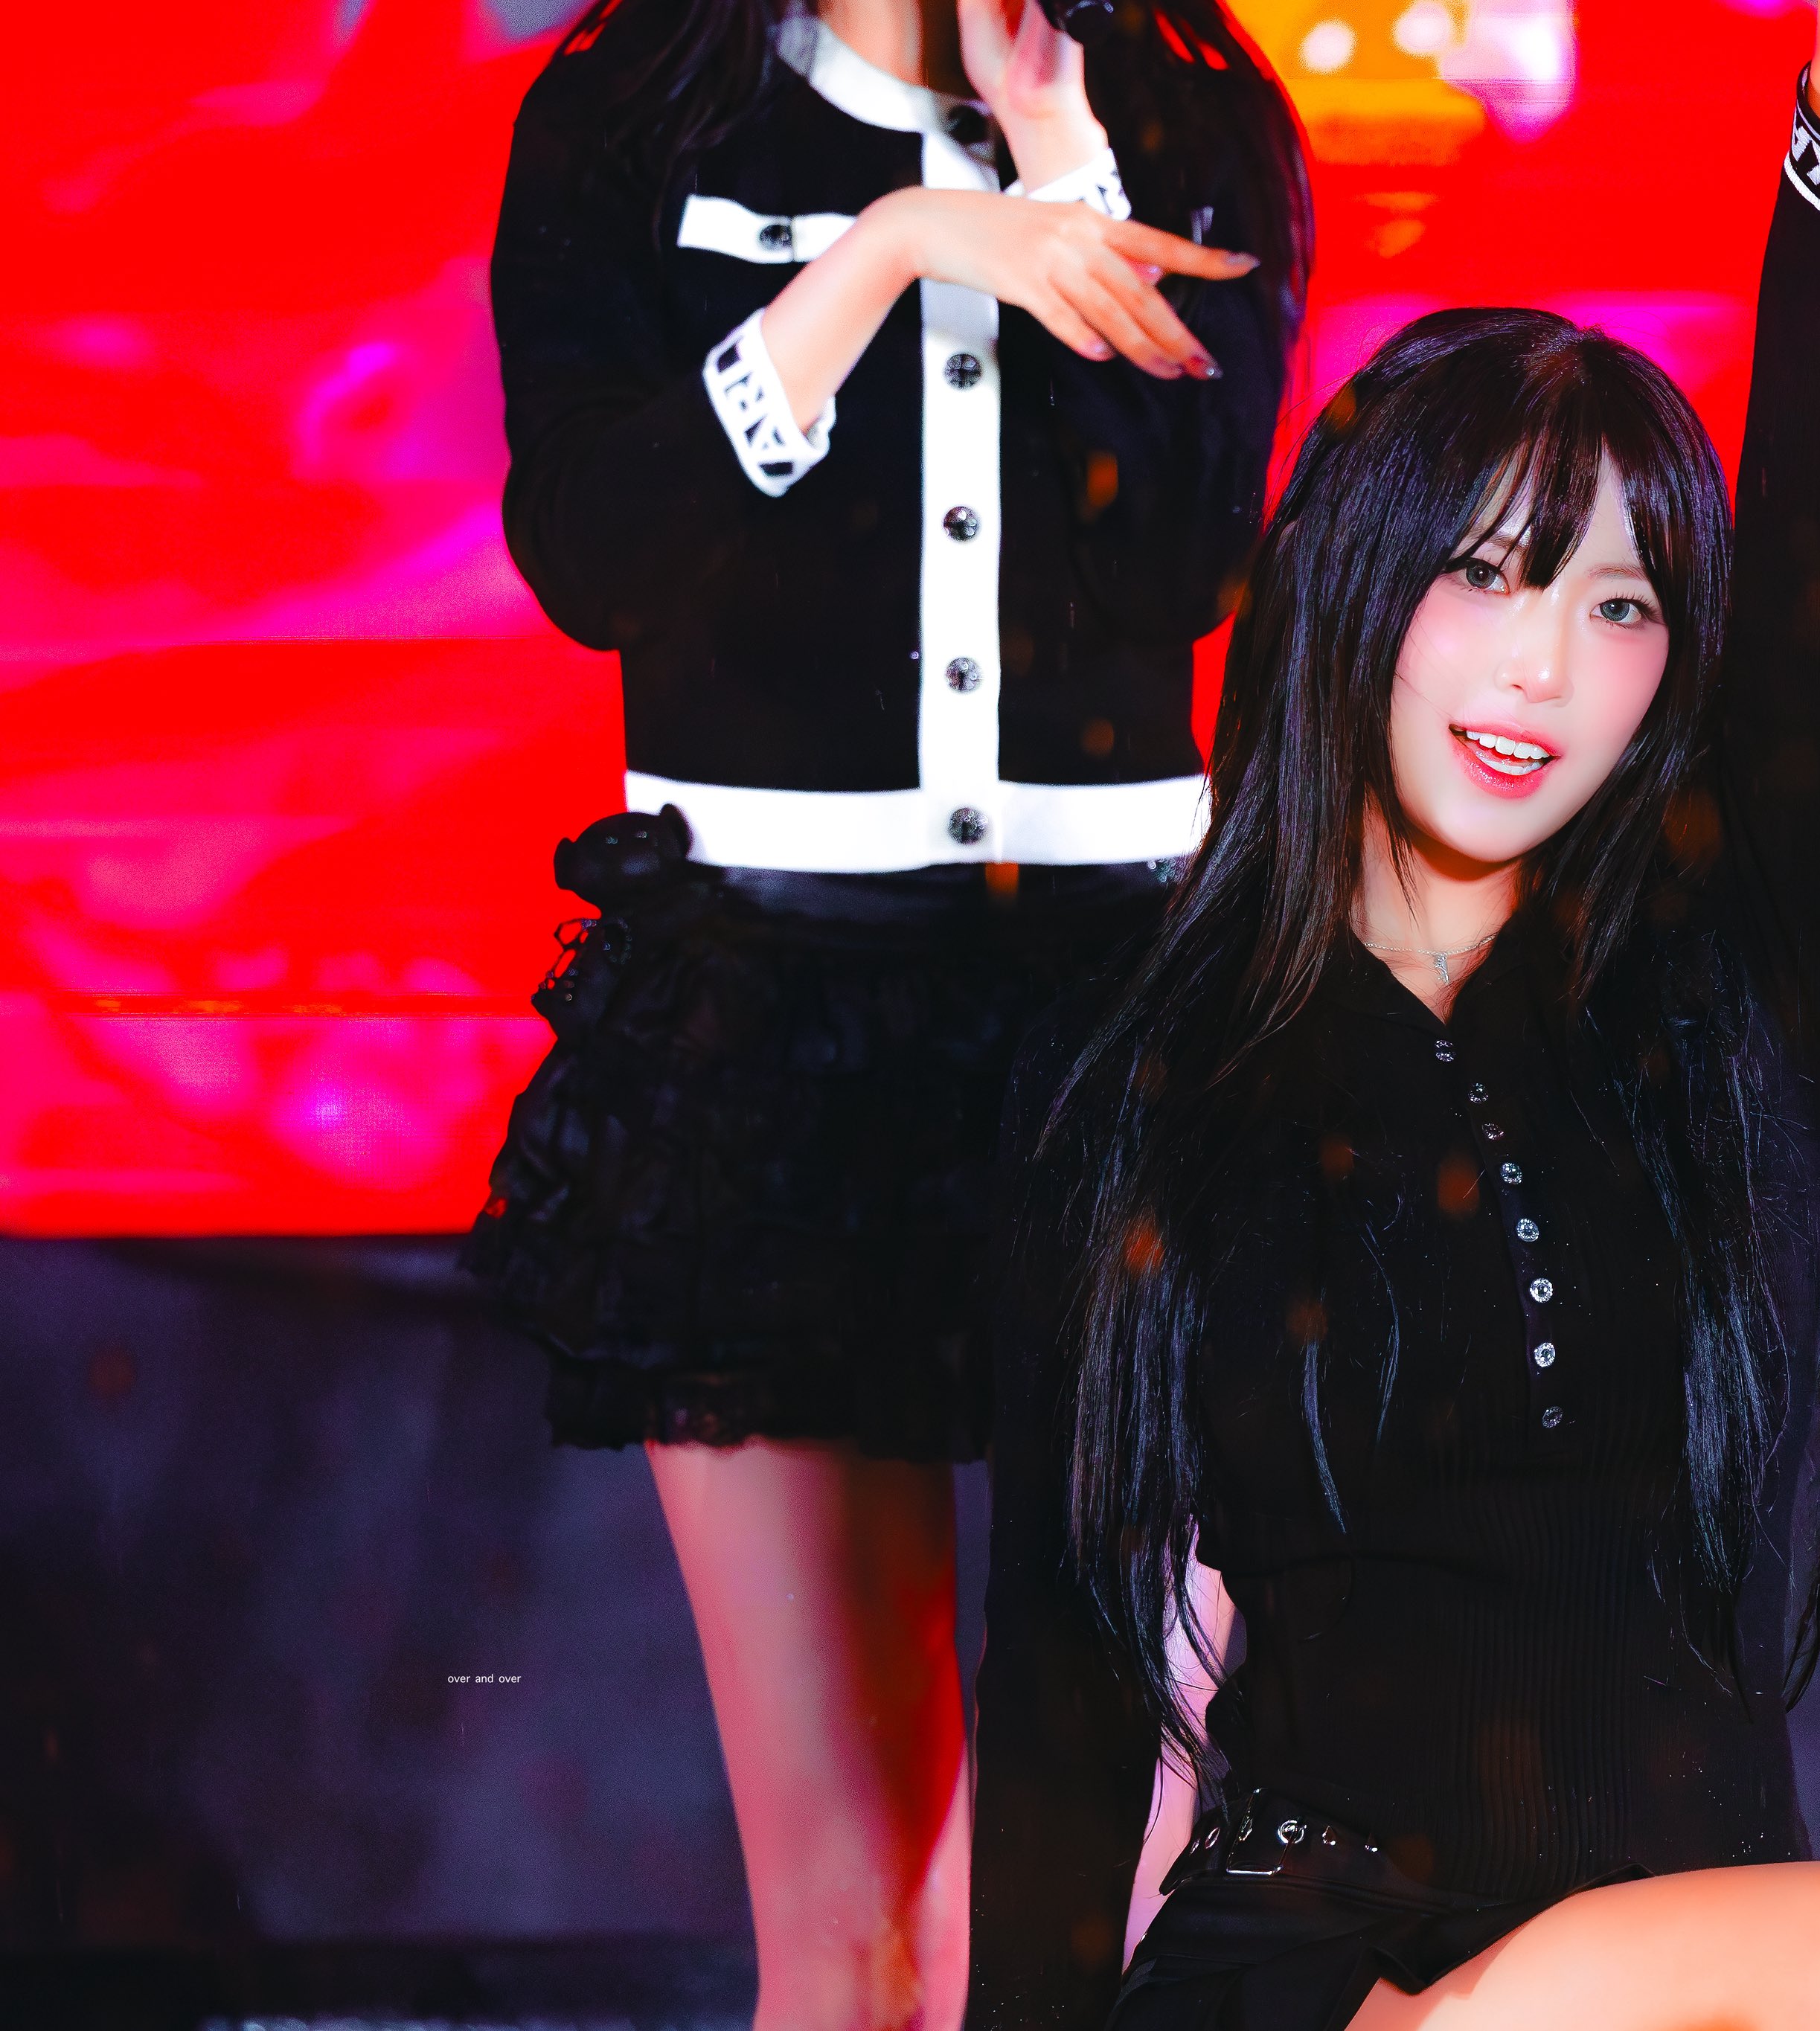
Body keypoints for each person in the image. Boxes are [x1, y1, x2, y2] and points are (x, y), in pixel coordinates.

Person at [966, 0, 1820, 2025]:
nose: (1544, 668)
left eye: (1621, 605)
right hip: (1307, 1976)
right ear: (1353, 587)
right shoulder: (1145, 1069)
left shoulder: (1738, 999)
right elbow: (1063, 1673)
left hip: (1702, 1987)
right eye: (1487, 574)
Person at [465, 0, 1304, 2021]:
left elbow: (1184, 557)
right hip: (769, 1026)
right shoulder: (627, 116)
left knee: (1141, 1900)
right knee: (861, 1940)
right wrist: (894, 252)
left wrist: (1062, 169)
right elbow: (593, 554)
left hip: (1115, 1029)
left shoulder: (1190, 114)